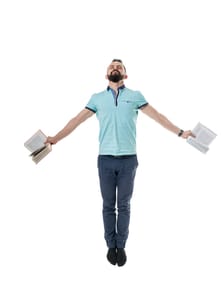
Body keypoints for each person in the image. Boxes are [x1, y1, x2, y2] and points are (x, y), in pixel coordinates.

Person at [46, 59, 194, 267]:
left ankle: (121, 245)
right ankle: (110, 245)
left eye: (119, 67)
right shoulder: (97, 98)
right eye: (111, 66)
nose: (115, 68)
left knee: (123, 205)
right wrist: (56, 138)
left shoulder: (135, 96)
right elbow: (76, 121)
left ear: (125, 75)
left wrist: (180, 132)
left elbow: (158, 117)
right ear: (106, 74)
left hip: (128, 161)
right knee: (108, 205)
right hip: (105, 160)